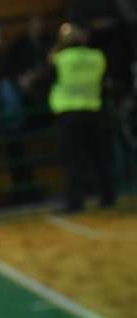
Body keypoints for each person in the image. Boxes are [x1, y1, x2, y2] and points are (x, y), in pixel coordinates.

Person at [48, 23, 115, 212]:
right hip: (94, 111)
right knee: (99, 158)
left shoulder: (61, 58)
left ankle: (75, 202)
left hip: (68, 113)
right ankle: (108, 197)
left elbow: (49, 73)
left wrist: (59, 47)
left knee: (72, 160)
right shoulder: (97, 57)